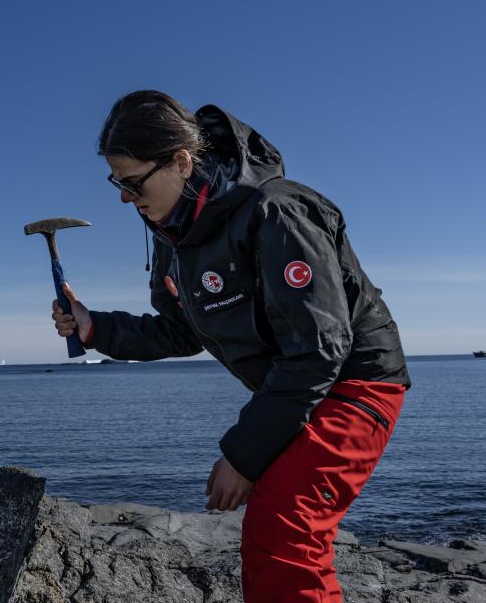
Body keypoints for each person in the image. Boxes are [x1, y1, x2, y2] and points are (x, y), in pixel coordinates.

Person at [51, 90, 411, 603]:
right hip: (298, 386)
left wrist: (242, 457)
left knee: (286, 525)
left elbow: (320, 347)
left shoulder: (278, 211)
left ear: (180, 161)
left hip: (355, 381)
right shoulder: (174, 235)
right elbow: (183, 331)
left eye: (132, 183)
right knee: (274, 528)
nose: (125, 199)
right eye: (117, 184)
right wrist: (94, 328)